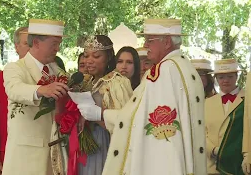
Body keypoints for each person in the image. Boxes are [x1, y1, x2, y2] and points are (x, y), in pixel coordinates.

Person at [77, 19, 207, 174]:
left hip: (161, 160)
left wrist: (101, 114)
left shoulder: (161, 72)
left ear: (166, 42)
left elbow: (141, 118)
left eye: (149, 40)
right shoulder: (185, 67)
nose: (145, 45)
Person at [2, 19, 69, 175]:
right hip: (26, 157)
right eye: (54, 44)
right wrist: (41, 90)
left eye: (59, 44)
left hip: (53, 153)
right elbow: (14, 89)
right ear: (37, 43)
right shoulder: (15, 67)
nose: (57, 49)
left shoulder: (55, 69)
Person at [76, 35, 133, 175]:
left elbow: (125, 122)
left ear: (108, 57)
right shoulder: (87, 82)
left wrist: (95, 115)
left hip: (105, 144)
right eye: (86, 56)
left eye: (96, 56)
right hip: (86, 147)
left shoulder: (117, 82)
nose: (89, 61)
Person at [0, 26, 29, 175]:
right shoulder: (0, 79)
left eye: (34, 43)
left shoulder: (48, 78)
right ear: (16, 47)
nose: (31, 47)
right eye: (26, 43)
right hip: (7, 152)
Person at [205, 59, 251, 174]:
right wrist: (214, 150)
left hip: (239, 166)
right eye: (221, 77)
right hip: (212, 166)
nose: (225, 80)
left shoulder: (248, 99)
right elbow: (200, 133)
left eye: (230, 76)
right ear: (215, 78)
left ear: (237, 76)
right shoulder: (206, 103)